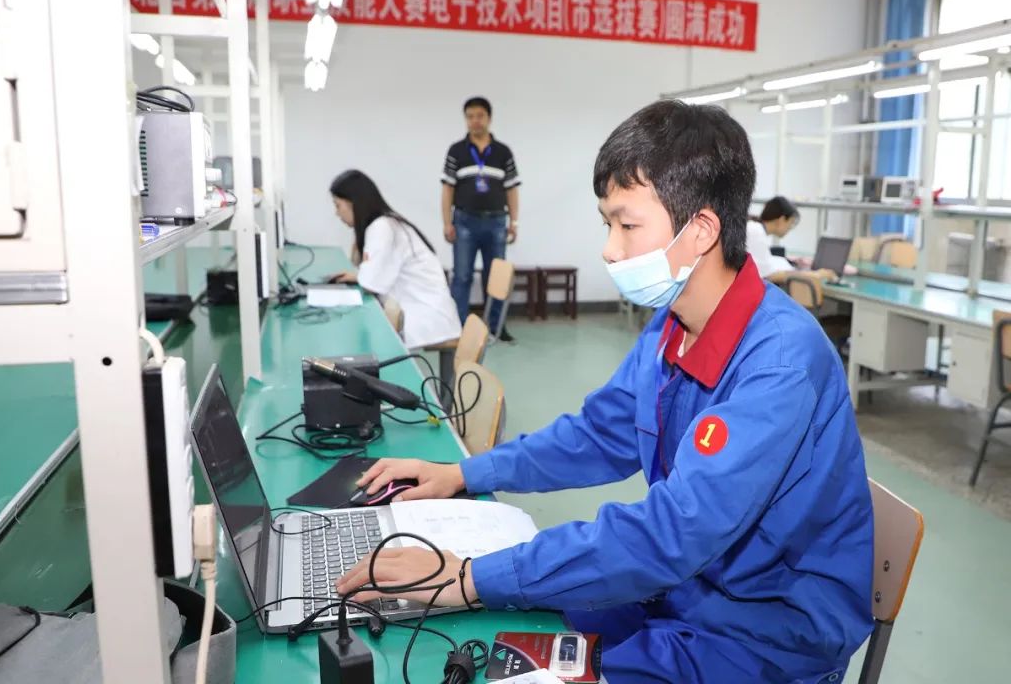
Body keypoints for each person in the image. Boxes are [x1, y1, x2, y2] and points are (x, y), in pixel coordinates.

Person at [338, 102, 874, 683]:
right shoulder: (674, 327)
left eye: (627, 225)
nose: (611, 249)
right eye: (607, 225)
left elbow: (672, 533)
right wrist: (463, 474)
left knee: (503, 646)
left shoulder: (780, 362)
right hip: (684, 590)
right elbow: (598, 435)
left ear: (700, 230)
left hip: (765, 635)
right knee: (491, 643)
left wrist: (467, 578)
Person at [328, 170, 461, 350]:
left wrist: (361, 276)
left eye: (338, 205)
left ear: (353, 203)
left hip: (427, 317)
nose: (337, 213)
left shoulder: (382, 228)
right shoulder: (383, 224)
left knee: (360, 341)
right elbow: (370, 271)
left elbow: (371, 284)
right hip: (423, 311)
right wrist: (358, 274)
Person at [441, 96, 520, 342]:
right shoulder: (456, 151)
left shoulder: (503, 152)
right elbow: (447, 189)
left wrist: (514, 222)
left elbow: (511, 189)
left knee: (495, 278)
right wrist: (447, 222)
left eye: (480, 116)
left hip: (496, 222)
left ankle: (496, 327)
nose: (475, 121)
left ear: (489, 118)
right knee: (462, 276)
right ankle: (458, 327)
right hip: (464, 222)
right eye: (470, 116)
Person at [747, 196, 799, 278]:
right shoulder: (756, 232)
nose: (790, 228)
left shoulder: (756, 228)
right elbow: (766, 275)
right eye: (791, 223)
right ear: (781, 220)